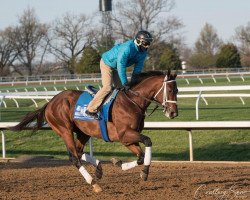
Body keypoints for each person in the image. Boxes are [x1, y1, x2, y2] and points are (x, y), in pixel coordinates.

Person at [85, 30, 153, 118]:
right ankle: (90, 109)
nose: (147, 45)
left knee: (122, 90)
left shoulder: (143, 53)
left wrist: (133, 83)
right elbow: (121, 65)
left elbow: (137, 70)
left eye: (149, 43)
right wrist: (125, 82)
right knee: (107, 87)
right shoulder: (127, 48)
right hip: (107, 63)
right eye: (146, 43)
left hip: (116, 67)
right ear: (139, 41)